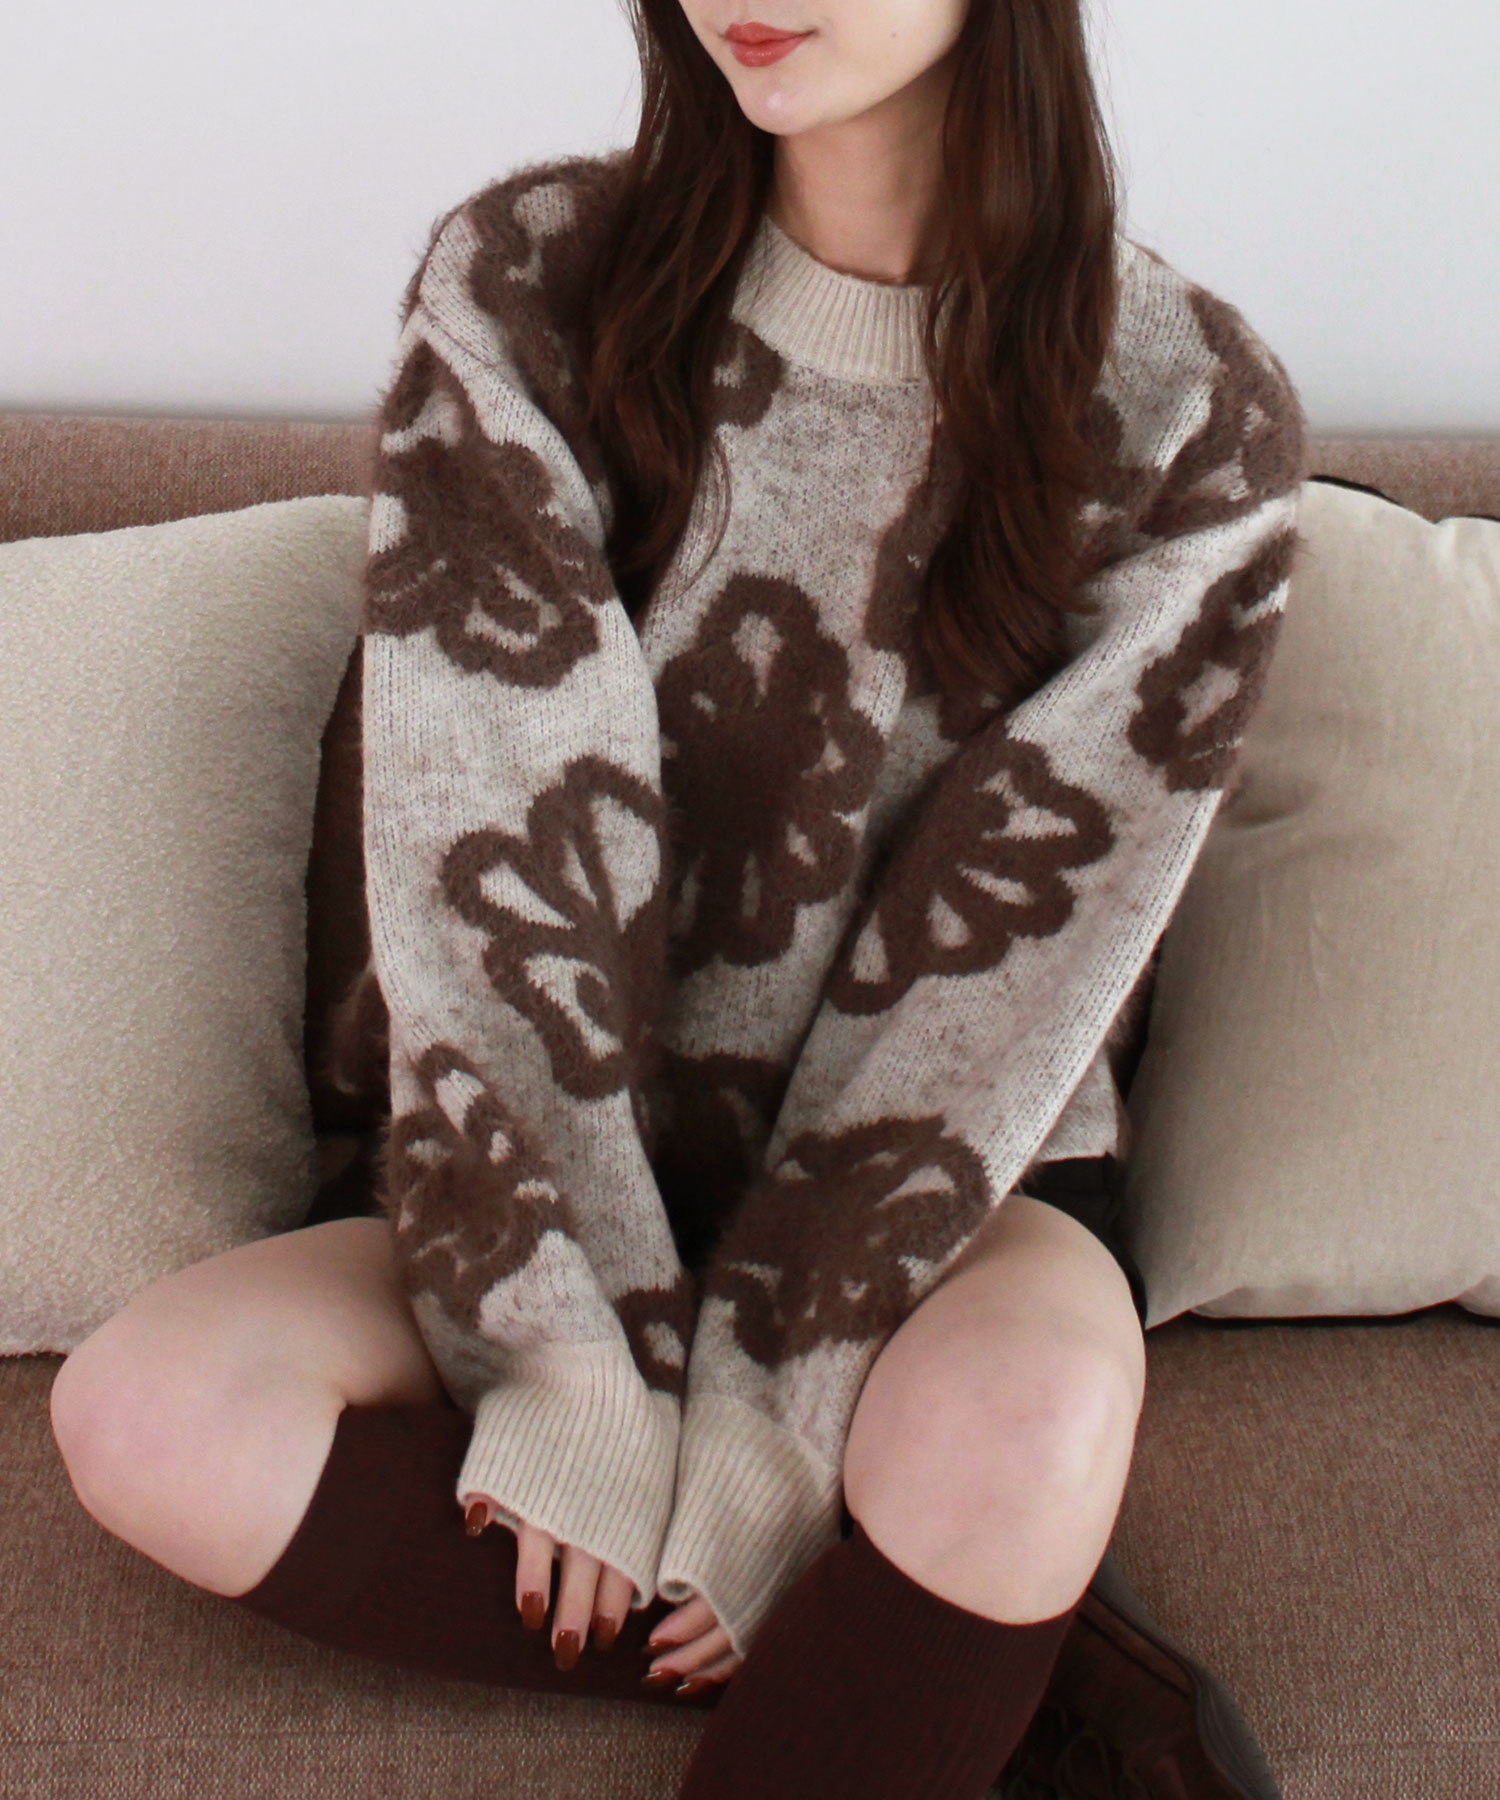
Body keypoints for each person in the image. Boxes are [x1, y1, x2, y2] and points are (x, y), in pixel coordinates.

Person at [47, 2, 1306, 1796]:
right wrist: (572, 1368)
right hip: (529, 1160)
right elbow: (484, 833)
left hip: (949, 1195)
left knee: (1031, 1422)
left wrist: (774, 1421)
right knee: (146, 1413)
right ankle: (975, 1652)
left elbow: (1015, 968)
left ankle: (942, 1594)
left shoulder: (1189, 410)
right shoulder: (530, 284)